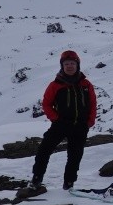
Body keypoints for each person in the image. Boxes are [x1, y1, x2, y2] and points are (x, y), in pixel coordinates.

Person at [31, 50, 98, 191]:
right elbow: (46, 104)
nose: (69, 66)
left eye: (72, 63)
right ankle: (37, 178)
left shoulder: (86, 84)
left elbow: (93, 103)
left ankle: (69, 183)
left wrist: (89, 122)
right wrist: (56, 118)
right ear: (62, 66)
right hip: (61, 124)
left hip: (80, 126)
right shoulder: (55, 85)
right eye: (66, 63)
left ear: (77, 65)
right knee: (44, 150)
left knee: (75, 156)